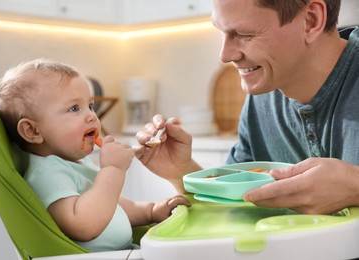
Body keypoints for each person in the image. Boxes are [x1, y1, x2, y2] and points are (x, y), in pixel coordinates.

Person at [133, 0, 359, 215]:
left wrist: (354, 185)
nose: (225, 55)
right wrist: (181, 171)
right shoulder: (263, 93)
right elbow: (236, 205)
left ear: (311, 20)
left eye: (244, 34)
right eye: (222, 32)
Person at [0, 58, 190, 252]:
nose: (91, 116)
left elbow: (112, 206)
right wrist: (113, 170)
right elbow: (83, 225)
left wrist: (151, 211)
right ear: (32, 131)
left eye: (90, 106)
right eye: (74, 108)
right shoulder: (48, 173)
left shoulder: (75, 164)